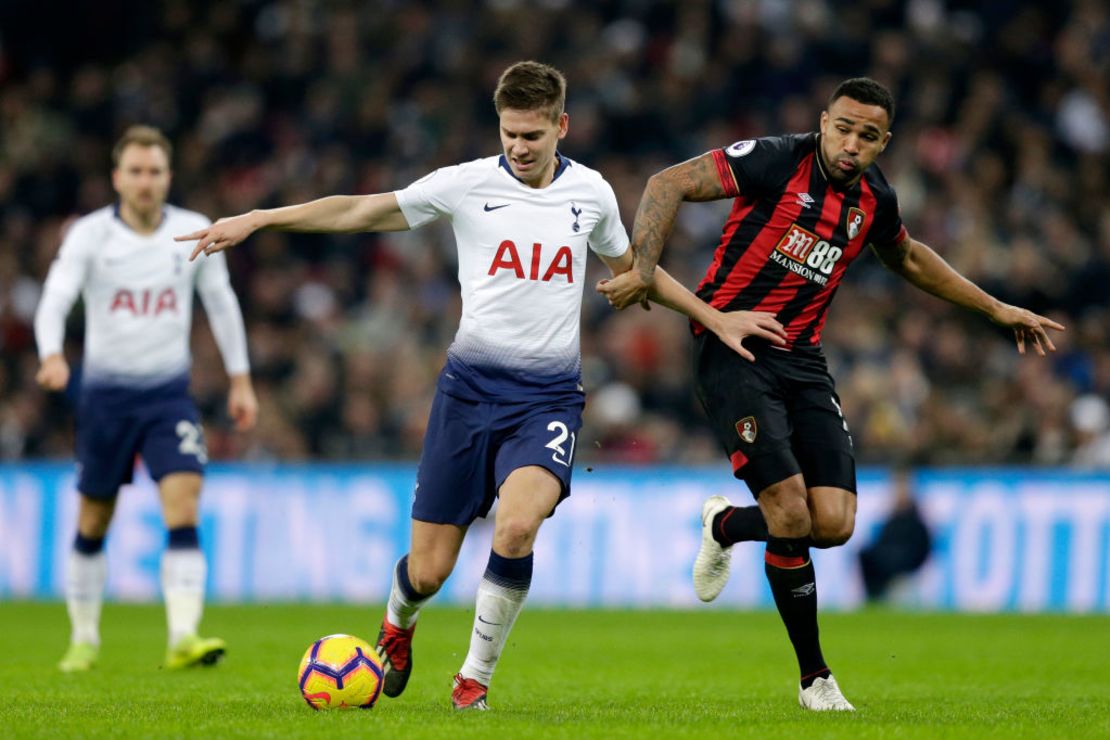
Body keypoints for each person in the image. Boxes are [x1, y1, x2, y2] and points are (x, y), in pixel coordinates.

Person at [176, 61, 786, 710]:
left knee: (516, 528)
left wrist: (713, 317)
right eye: (509, 133)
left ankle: (474, 681)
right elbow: (360, 210)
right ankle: (398, 622)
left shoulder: (593, 195)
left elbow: (636, 269)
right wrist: (262, 218)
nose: (519, 147)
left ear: (561, 127)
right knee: (428, 572)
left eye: (532, 134)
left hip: (547, 400)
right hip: (466, 397)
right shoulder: (465, 184)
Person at [598, 77, 1065, 711]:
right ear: (823, 121)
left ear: (884, 143)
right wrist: (643, 270)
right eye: (842, 128)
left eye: (867, 136)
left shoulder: (874, 199)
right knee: (791, 515)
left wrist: (995, 307)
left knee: (835, 525)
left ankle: (726, 525)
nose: (850, 144)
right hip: (731, 348)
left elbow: (910, 259)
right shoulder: (773, 160)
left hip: (803, 360)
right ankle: (815, 680)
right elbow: (666, 183)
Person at [34, 125, 257, 673]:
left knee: (183, 504)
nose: (144, 181)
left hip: (167, 395)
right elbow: (55, 297)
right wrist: (51, 353)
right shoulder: (90, 235)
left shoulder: (191, 230)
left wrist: (241, 378)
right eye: (134, 171)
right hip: (105, 397)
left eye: (154, 171)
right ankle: (84, 638)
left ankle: (183, 635)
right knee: (94, 518)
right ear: (117, 177)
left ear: (168, 176)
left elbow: (221, 302)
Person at [858, 464, 931, 602]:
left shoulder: (916, 521)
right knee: (864, 554)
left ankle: (876, 595)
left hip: (904, 568)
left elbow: (921, 549)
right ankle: (872, 595)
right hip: (887, 566)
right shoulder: (890, 520)